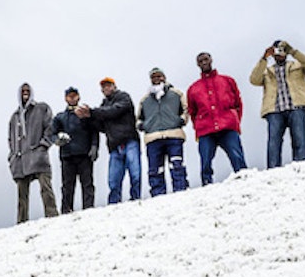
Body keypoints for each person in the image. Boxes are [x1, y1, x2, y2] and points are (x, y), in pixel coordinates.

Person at [249, 40, 305, 168]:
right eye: (276, 51)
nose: (279, 54)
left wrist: (293, 51)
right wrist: (264, 58)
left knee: (299, 139)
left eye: (282, 50)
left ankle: (300, 167)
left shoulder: (297, 65)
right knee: (273, 143)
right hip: (274, 110)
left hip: (296, 106)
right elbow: (254, 80)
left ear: (286, 52)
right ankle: (273, 169)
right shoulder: (267, 71)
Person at [187, 52, 248, 185]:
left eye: (206, 59)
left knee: (237, 156)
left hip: (227, 126)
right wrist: (198, 126)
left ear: (211, 60)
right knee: (205, 162)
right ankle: (207, 185)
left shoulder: (228, 81)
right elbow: (192, 111)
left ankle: (245, 181)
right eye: (200, 61)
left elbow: (238, 103)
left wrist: (235, 121)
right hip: (206, 130)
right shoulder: (193, 89)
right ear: (197, 64)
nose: (204, 62)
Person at [80, 77, 141, 204]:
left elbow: (114, 111)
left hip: (129, 141)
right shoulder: (103, 106)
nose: (106, 88)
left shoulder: (124, 97)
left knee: (135, 174)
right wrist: (85, 118)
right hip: (114, 146)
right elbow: (100, 126)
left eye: (108, 85)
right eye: (103, 87)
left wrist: (92, 112)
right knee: (113, 180)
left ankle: (136, 200)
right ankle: (113, 205)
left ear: (114, 86)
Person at [7, 83, 58, 223]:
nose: (25, 93)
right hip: (20, 159)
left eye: (27, 91)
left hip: (38, 155)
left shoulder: (41, 108)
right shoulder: (15, 117)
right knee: (22, 195)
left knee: (45, 187)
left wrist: (44, 145)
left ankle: (52, 216)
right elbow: (11, 138)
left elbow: (50, 128)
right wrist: (12, 156)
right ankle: (21, 222)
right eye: (22, 91)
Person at [137, 67, 190, 196]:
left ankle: (181, 191)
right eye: (153, 77)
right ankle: (158, 195)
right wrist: (142, 126)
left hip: (174, 135)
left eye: (159, 76)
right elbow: (139, 117)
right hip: (153, 138)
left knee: (176, 164)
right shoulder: (145, 99)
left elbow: (186, 109)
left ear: (164, 77)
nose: (156, 79)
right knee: (155, 169)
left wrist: (181, 120)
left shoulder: (176, 94)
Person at [50, 86, 100, 213]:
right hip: (67, 156)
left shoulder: (85, 114)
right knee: (67, 186)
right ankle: (66, 211)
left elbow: (94, 131)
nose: (72, 98)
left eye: (74, 95)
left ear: (78, 97)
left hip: (84, 154)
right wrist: (57, 139)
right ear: (65, 98)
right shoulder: (60, 117)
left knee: (87, 184)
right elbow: (52, 133)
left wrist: (94, 147)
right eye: (69, 96)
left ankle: (89, 209)